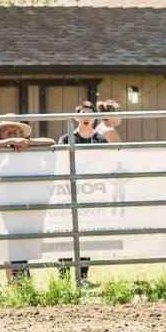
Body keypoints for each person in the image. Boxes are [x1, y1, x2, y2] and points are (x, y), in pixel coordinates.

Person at [0, 119, 53, 286]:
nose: (12, 134)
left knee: (19, 247)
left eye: (16, 131)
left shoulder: (26, 149)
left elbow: (51, 142)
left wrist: (28, 142)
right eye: (7, 131)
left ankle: (21, 286)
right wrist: (10, 142)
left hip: (15, 203)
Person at [56, 101, 107, 283]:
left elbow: (105, 166)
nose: (86, 117)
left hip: (91, 194)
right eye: (83, 113)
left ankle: (83, 277)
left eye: (90, 114)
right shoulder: (65, 139)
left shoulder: (101, 141)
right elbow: (60, 165)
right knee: (65, 236)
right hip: (68, 193)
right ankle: (63, 278)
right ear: (76, 117)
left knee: (87, 236)